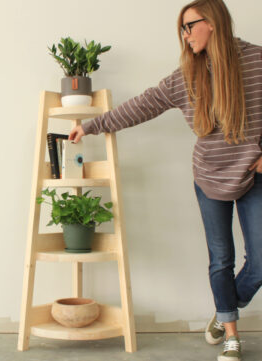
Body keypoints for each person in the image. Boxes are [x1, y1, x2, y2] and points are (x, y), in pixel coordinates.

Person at [68, 1, 262, 360]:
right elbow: (142, 105)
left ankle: (224, 310)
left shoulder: (256, 61)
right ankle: (232, 334)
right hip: (209, 177)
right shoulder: (186, 76)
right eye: (182, 30)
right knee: (221, 259)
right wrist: (91, 125)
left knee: (261, 258)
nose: (185, 36)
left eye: (190, 26)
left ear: (214, 23)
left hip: (253, 173)